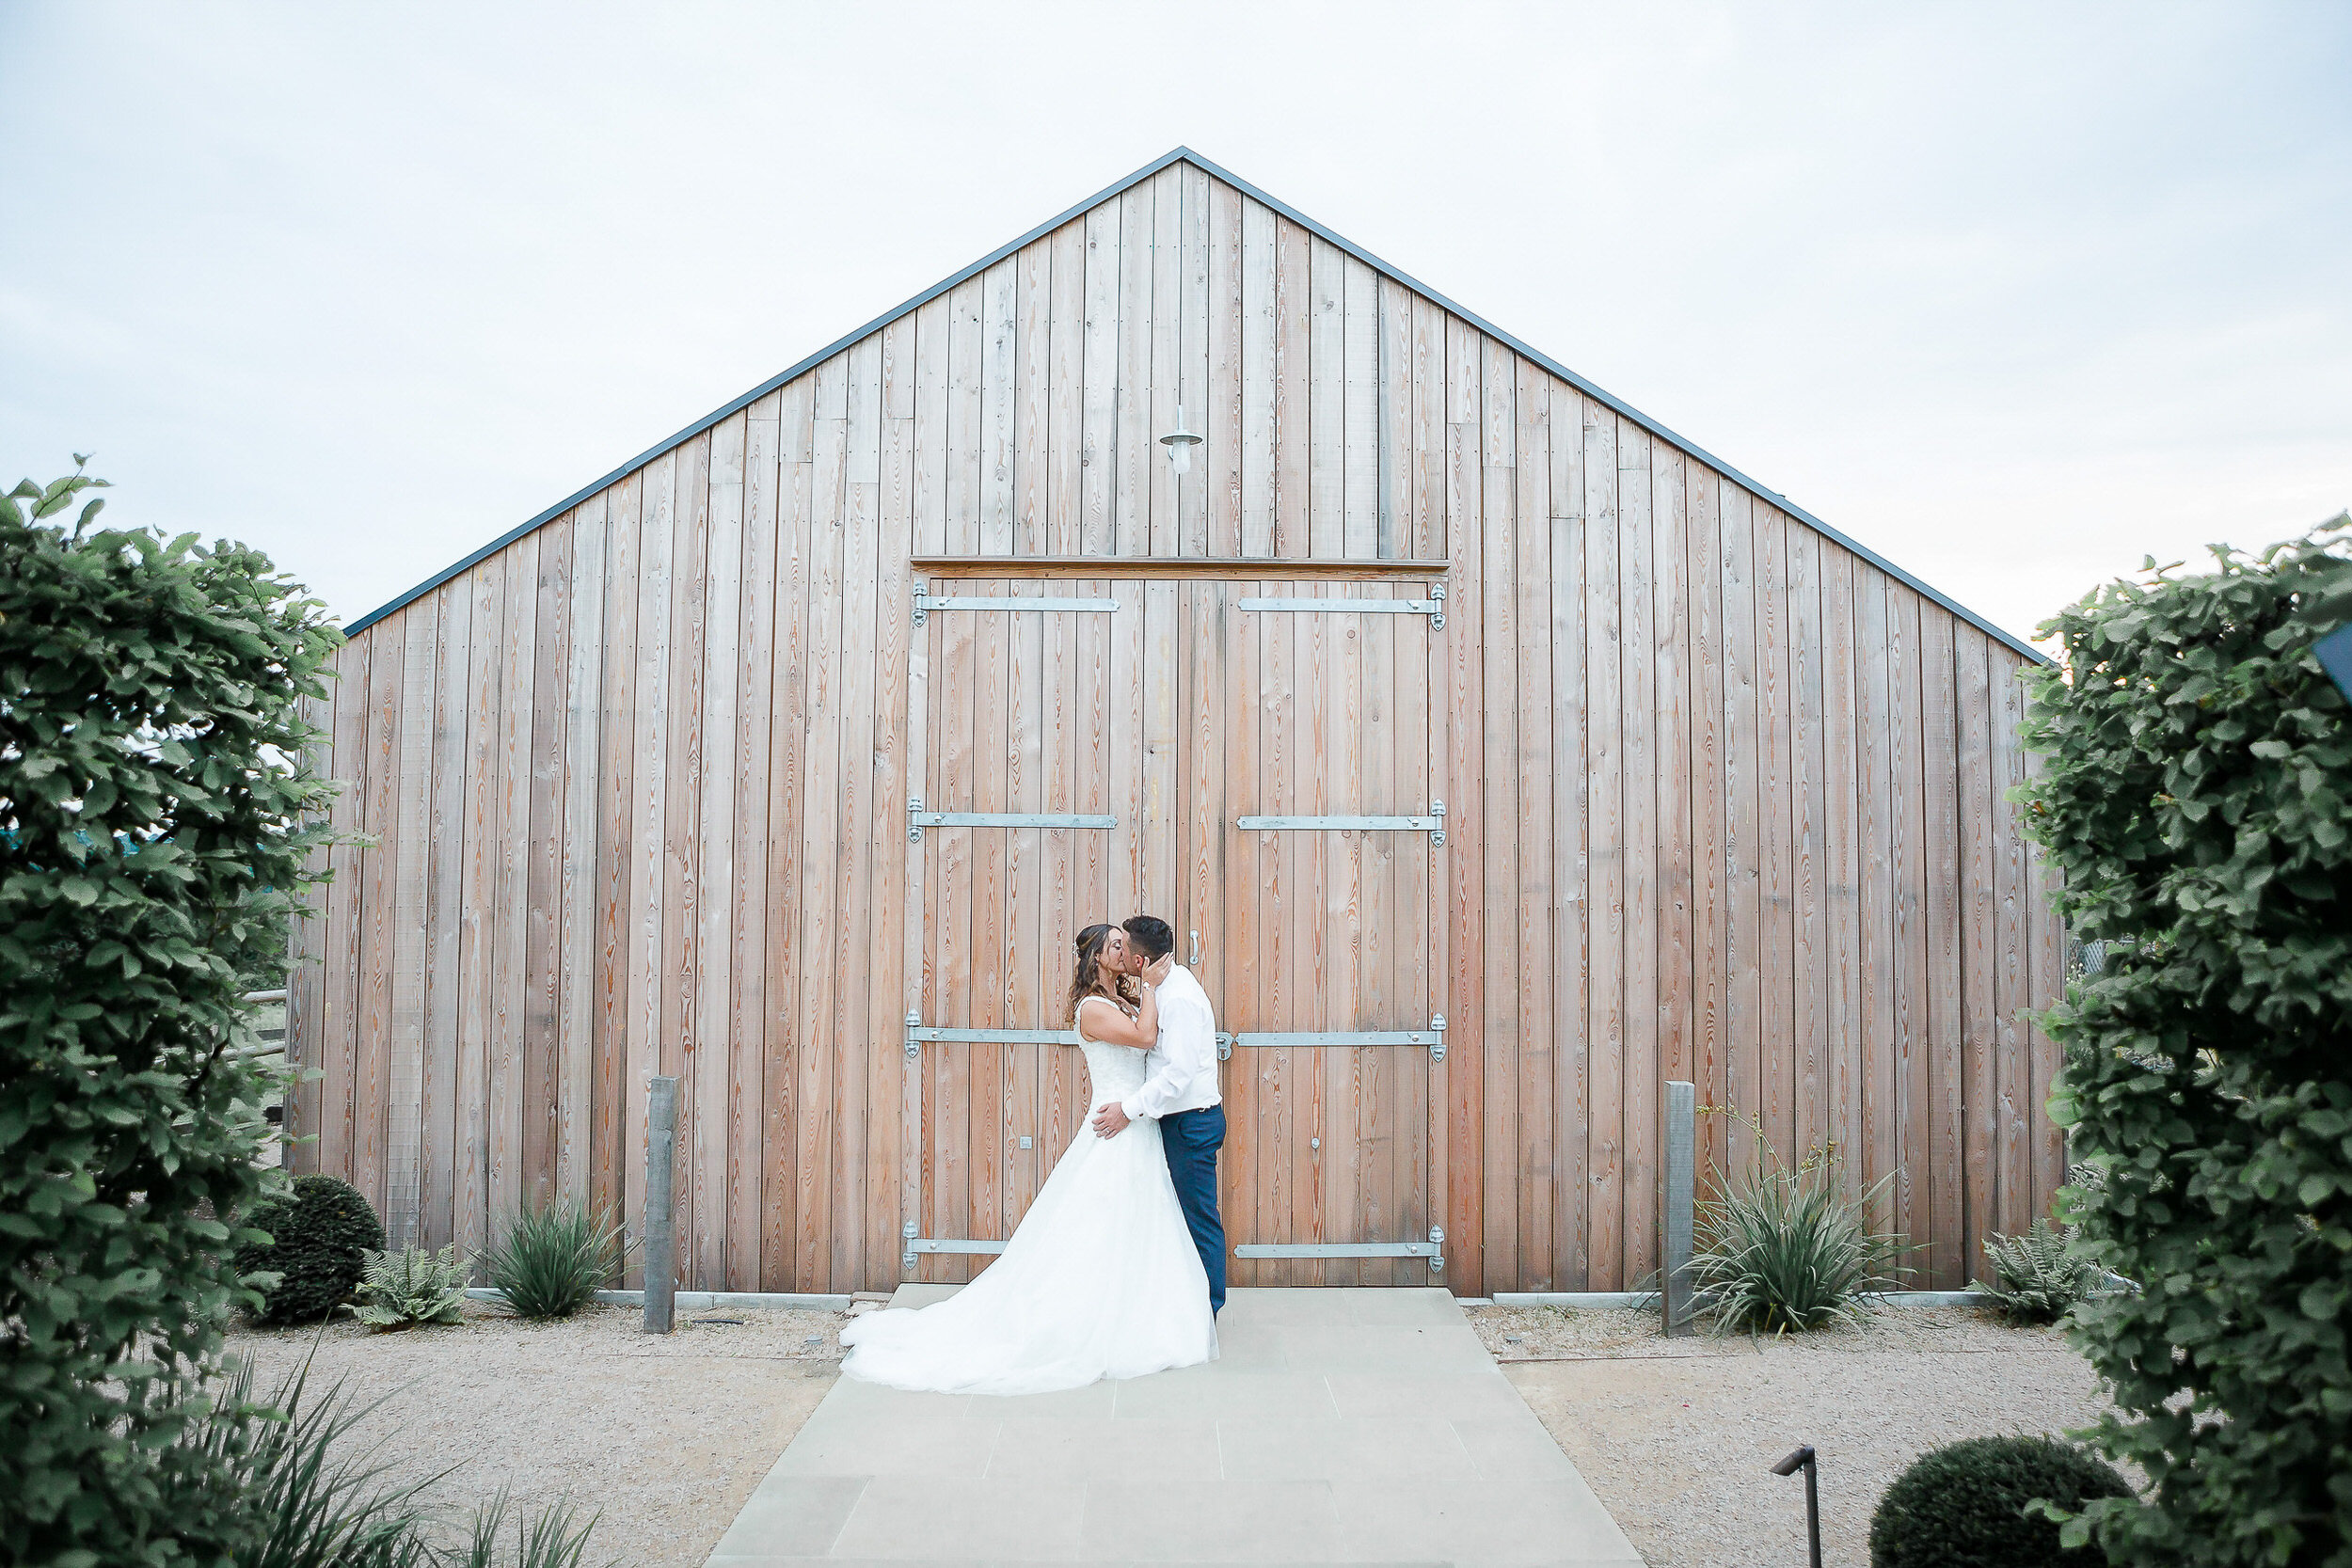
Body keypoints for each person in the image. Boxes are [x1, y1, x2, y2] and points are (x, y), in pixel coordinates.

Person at [835, 922, 1217, 1395]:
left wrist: (1149, 992)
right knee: (1097, 1226)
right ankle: (1080, 1320)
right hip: (1113, 1123)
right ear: (1098, 958)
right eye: (1115, 945)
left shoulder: (1125, 1000)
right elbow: (1144, 1039)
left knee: (1138, 1224)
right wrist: (1156, 984)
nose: (1124, 951)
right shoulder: (1093, 1009)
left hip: (1136, 1124)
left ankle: (1137, 1309)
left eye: (1126, 944)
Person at [1090, 915, 1226, 1316]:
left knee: (1197, 1219)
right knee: (1175, 1217)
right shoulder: (1160, 989)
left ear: (1138, 962)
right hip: (1172, 1121)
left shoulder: (1179, 997)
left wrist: (1129, 1110)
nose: (1120, 953)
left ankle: (1206, 1312)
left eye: (1124, 948)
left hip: (1190, 1122)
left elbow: (1179, 1075)